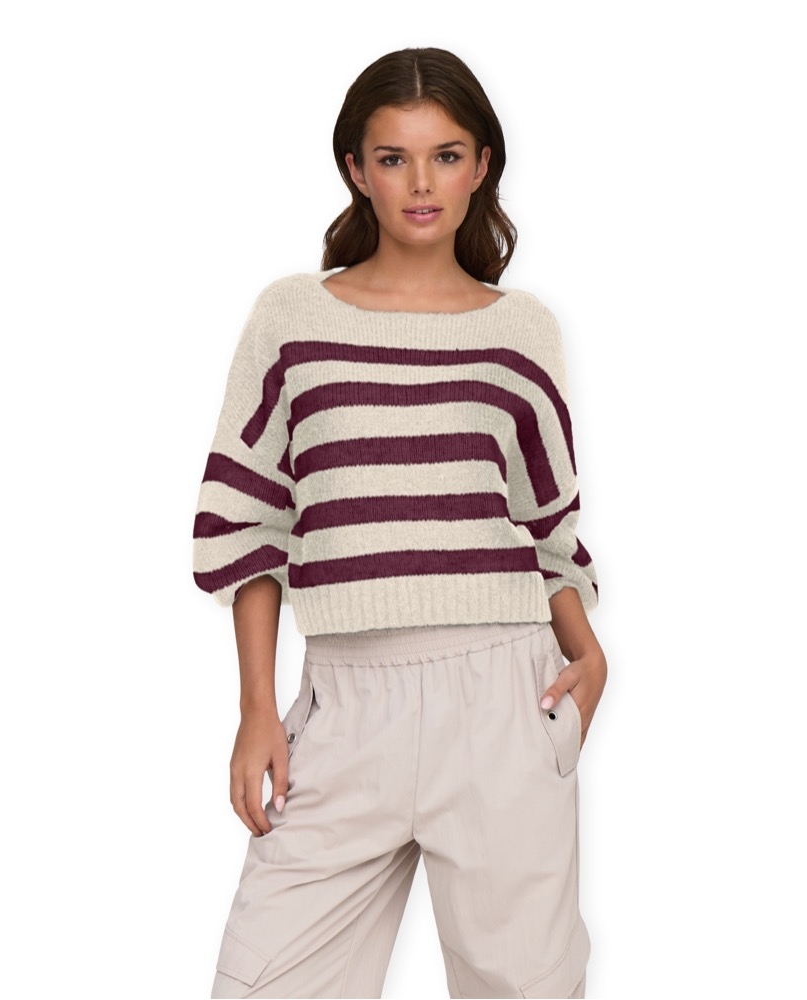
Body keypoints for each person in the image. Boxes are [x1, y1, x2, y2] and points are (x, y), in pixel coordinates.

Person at [191, 46, 607, 1000]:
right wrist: (257, 708)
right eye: (393, 158)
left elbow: (549, 524)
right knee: (263, 984)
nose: (421, 183)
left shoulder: (522, 330)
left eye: (446, 156)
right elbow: (247, 518)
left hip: (503, 696)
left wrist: (589, 655)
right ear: (356, 169)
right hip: (344, 703)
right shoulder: (291, 317)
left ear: (483, 165)